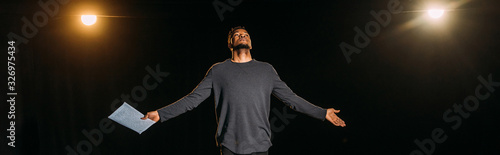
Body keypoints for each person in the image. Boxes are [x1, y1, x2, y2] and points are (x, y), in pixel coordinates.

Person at [142, 26, 346, 155]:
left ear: (250, 42)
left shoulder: (266, 70)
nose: (242, 36)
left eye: (246, 34)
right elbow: (193, 100)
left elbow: (291, 98)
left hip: (260, 145)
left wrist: (322, 112)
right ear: (230, 43)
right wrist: (160, 114)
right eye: (237, 35)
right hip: (230, 145)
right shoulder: (218, 70)